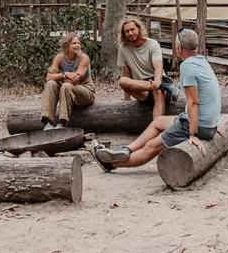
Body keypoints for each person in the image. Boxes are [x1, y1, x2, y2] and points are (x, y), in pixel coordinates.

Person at [92, 28, 220, 172]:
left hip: (197, 126)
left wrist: (193, 135)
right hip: (205, 123)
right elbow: (213, 93)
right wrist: (213, 121)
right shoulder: (202, 60)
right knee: (158, 122)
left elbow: (193, 102)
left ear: (179, 47)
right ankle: (127, 149)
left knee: (151, 146)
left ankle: (110, 164)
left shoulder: (187, 66)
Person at [116, 16, 180, 119]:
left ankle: (156, 129)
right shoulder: (123, 48)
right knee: (122, 81)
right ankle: (166, 86)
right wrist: (126, 98)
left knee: (158, 91)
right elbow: (126, 73)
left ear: (139, 28)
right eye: (127, 31)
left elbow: (158, 67)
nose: (130, 33)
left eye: (132, 29)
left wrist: (157, 81)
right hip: (142, 88)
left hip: (158, 81)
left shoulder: (152, 44)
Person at [41, 33, 96, 129]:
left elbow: (75, 80)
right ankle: (48, 123)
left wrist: (58, 77)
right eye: (74, 43)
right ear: (67, 45)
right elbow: (49, 77)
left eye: (78, 43)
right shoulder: (59, 57)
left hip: (85, 91)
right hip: (66, 90)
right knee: (50, 84)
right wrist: (64, 74)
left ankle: (63, 124)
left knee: (66, 85)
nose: (77, 45)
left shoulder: (84, 58)